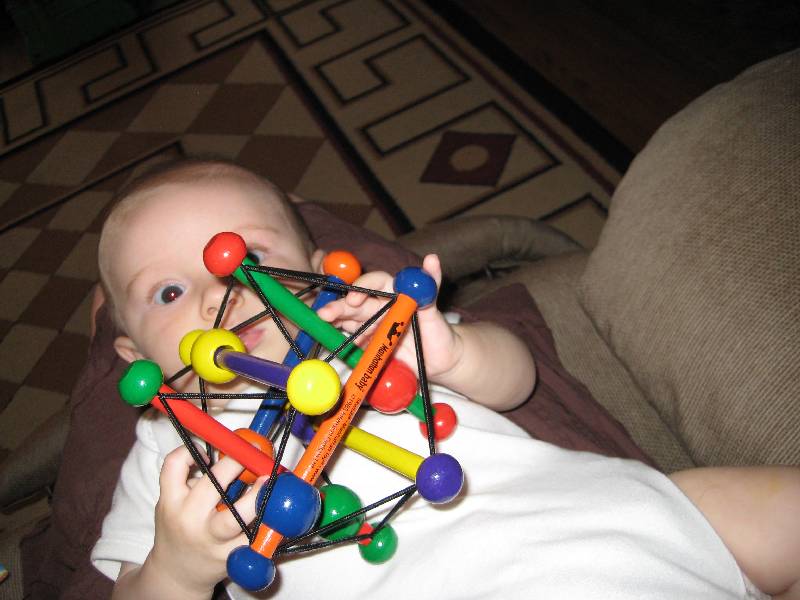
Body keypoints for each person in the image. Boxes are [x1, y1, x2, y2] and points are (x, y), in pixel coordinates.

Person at [91, 158, 799, 600]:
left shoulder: (370, 329)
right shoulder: (168, 451)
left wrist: (453, 352)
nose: (219, 294)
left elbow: (517, 381)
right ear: (129, 352)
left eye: (247, 255)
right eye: (168, 292)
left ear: (316, 267)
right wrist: (177, 571)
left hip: (613, 517)